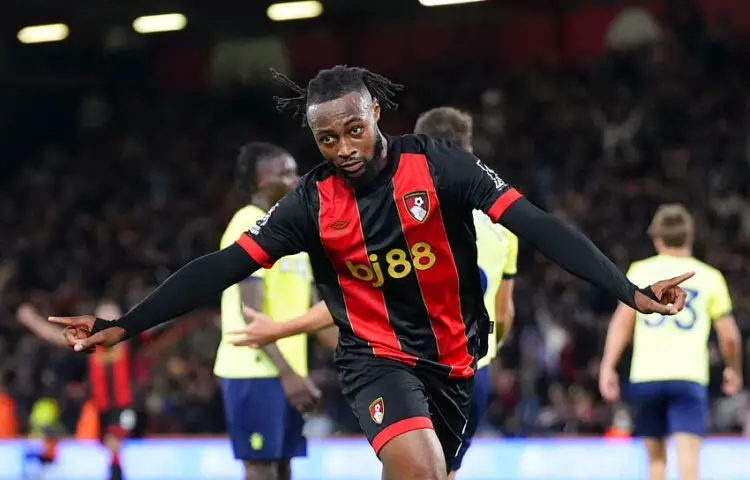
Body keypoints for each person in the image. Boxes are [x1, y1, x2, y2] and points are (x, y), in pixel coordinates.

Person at [51, 65, 691, 480]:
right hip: (376, 358)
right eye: (327, 140)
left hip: (456, 359)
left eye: (354, 130)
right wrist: (126, 325)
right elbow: (222, 267)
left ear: (376, 115)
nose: (344, 149)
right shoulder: (308, 202)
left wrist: (630, 292)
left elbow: (540, 226)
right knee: (417, 467)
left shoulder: (440, 167)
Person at [228, 106, 518, 479]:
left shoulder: (407, 211)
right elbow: (504, 314)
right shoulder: (500, 223)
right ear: (468, 150)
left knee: (408, 467)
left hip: (414, 364)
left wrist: (288, 331)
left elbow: (360, 298)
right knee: (441, 471)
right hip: (473, 369)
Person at [599, 204, 742, 480]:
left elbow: (622, 322)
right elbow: (729, 335)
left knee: (655, 466)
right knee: (689, 468)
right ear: (690, 236)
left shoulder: (640, 271)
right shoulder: (710, 277)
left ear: (656, 238)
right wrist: (733, 369)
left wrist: (608, 366)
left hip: (646, 377)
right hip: (688, 378)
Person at [214, 142, 322, 480]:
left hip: (289, 372)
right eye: (285, 173)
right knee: (262, 468)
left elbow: (318, 313)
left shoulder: (293, 233)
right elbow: (251, 313)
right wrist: (289, 376)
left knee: (284, 467)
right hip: (253, 371)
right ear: (261, 180)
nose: (297, 179)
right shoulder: (247, 225)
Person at [18, 301, 139, 480]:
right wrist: (31, 320)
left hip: (123, 406)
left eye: (111, 315)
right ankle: (46, 461)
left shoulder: (128, 342)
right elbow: (54, 336)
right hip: (100, 407)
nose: (107, 319)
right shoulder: (90, 343)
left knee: (113, 443)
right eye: (102, 316)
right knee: (97, 442)